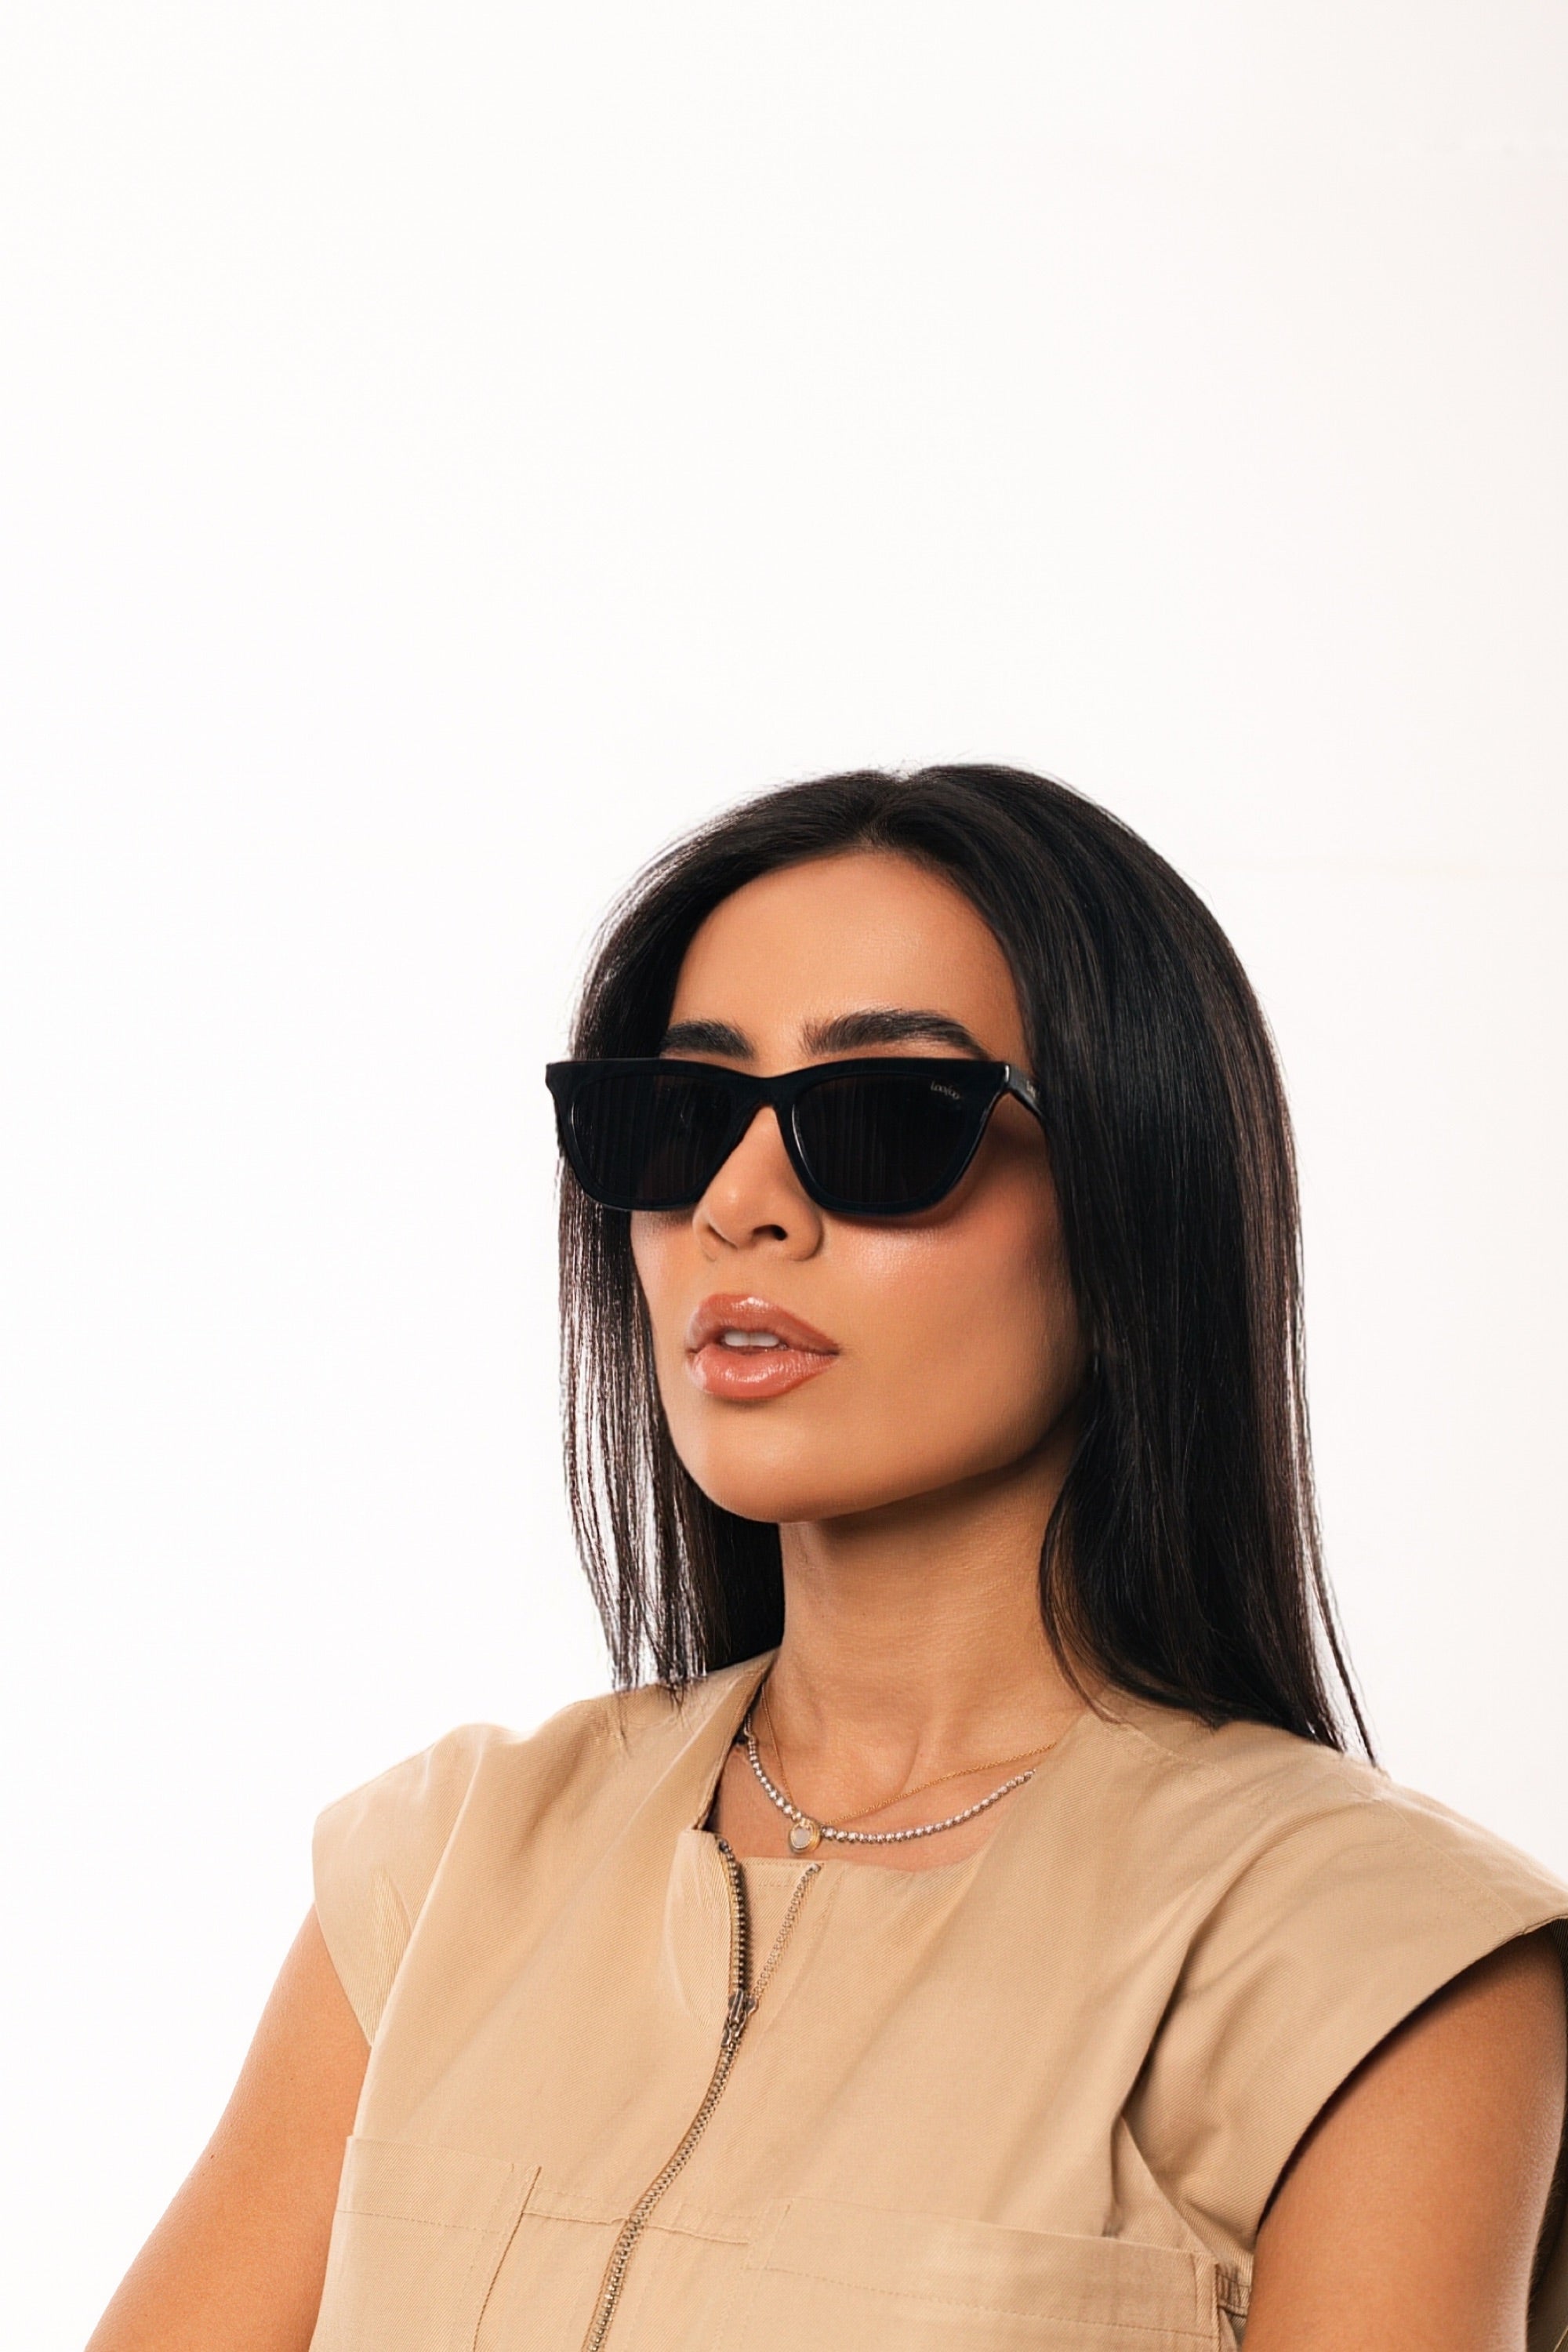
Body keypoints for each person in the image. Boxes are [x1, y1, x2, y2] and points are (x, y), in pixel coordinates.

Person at [89, 767, 1567, 2352]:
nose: (739, 1204)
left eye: (881, 1122)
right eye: (675, 1117)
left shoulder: (1375, 1963)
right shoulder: (439, 1874)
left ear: (1138, 1196)